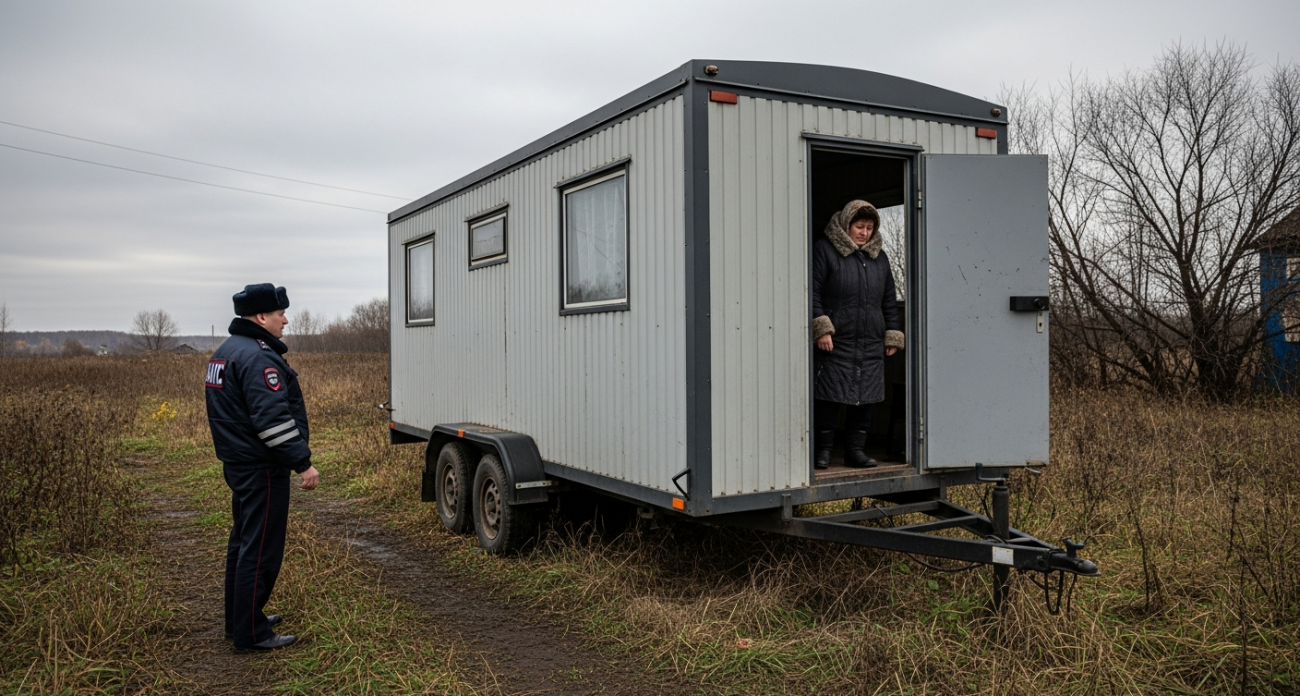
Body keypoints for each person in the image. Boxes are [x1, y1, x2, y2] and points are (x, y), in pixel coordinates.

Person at [205, 283, 319, 651]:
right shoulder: (257, 357)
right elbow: (272, 421)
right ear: (261, 317)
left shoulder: (225, 352)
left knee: (242, 541)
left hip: (239, 463)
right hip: (260, 468)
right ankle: (252, 633)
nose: (285, 320)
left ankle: (239, 619)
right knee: (260, 549)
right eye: (280, 313)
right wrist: (302, 463)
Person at [811, 200, 904, 469]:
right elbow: (813, 291)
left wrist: (892, 334)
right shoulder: (825, 250)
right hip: (836, 339)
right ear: (846, 225)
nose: (864, 232)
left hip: (870, 341)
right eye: (859, 226)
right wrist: (822, 328)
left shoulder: (880, 259)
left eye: (869, 228)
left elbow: (888, 300)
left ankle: (855, 452)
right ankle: (823, 453)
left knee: (864, 399)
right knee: (829, 396)